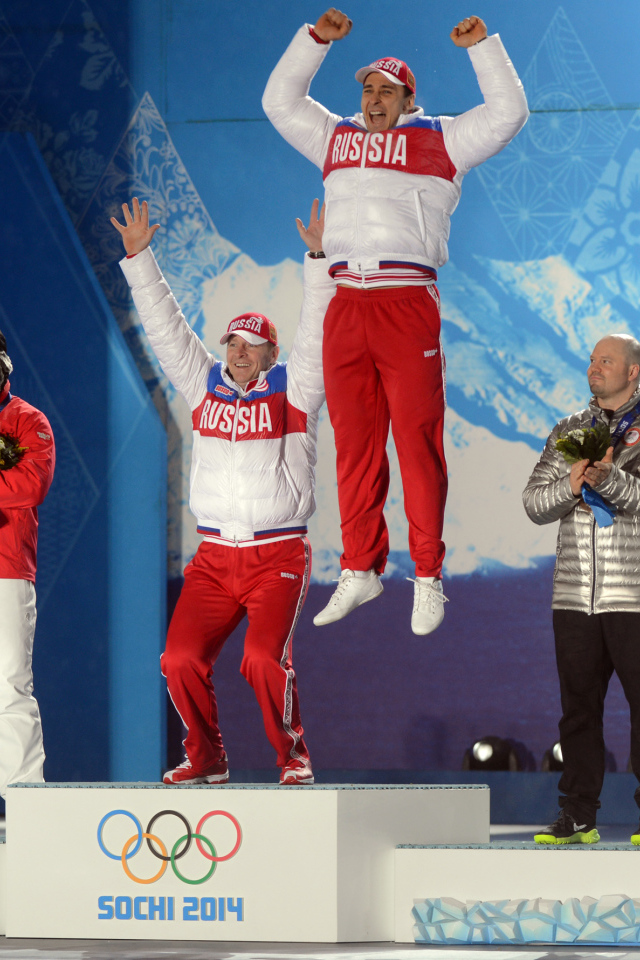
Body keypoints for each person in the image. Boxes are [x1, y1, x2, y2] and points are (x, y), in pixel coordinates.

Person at [263, 10, 528, 636]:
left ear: (410, 98)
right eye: (367, 89)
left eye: (387, 90)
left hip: (406, 300)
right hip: (345, 301)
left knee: (415, 442)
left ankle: (429, 576)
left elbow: (509, 113)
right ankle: (360, 568)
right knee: (355, 445)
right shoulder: (335, 137)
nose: (373, 98)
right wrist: (315, 41)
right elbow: (279, 101)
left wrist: (483, 48)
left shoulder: (441, 137)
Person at [111, 197, 333, 785]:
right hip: (213, 559)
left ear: (270, 354)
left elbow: (317, 334)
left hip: (276, 556)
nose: (237, 350)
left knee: (261, 660)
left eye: (250, 343)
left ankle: (293, 757)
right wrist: (139, 259)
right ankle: (207, 758)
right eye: (231, 341)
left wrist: (318, 259)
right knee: (179, 659)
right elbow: (167, 326)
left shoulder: (296, 392)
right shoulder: (202, 385)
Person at [523, 334, 640, 844]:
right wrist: (572, 484)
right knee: (577, 711)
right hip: (573, 596)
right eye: (592, 360)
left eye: (606, 360)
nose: (594, 368)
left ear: (633, 372)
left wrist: (608, 478)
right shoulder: (569, 428)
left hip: (633, 595)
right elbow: (533, 504)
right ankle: (577, 815)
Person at [0, 333, 55, 797]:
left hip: (6, 570)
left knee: (9, 683)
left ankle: (23, 797)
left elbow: (30, 486)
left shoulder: (26, 419)